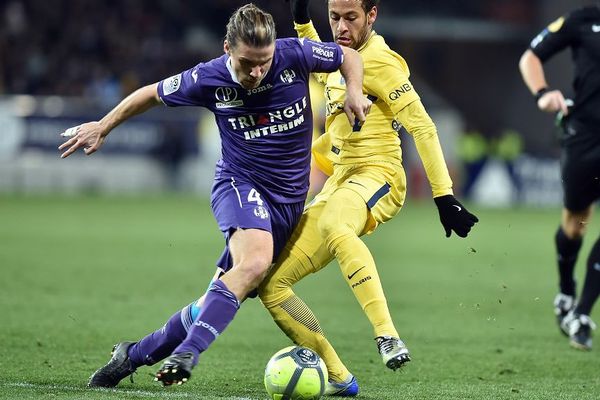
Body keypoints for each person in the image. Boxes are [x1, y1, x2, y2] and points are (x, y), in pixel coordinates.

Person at [59, 3, 371, 387]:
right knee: (254, 265)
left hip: (289, 201)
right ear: (227, 49)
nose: (257, 73)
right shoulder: (206, 78)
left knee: (227, 291)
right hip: (240, 185)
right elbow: (151, 94)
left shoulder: (294, 53)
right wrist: (104, 126)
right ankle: (189, 352)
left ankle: (132, 354)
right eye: (247, 63)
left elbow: (349, 56)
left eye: (264, 62)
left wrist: (354, 91)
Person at [256, 0, 478, 395]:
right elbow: (316, 53)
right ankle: (339, 377)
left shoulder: (381, 61)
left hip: (380, 175)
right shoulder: (337, 56)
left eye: (350, 18)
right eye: (334, 18)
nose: (340, 27)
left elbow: (423, 127)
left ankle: (387, 334)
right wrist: (302, 18)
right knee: (271, 284)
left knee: (336, 224)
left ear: (371, 16)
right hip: (341, 181)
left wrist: (444, 197)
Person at [519, 4, 600, 350]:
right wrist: (542, 94)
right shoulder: (584, 19)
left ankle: (581, 312)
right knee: (575, 222)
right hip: (585, 134)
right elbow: (531, 57)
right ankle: (566, 291)